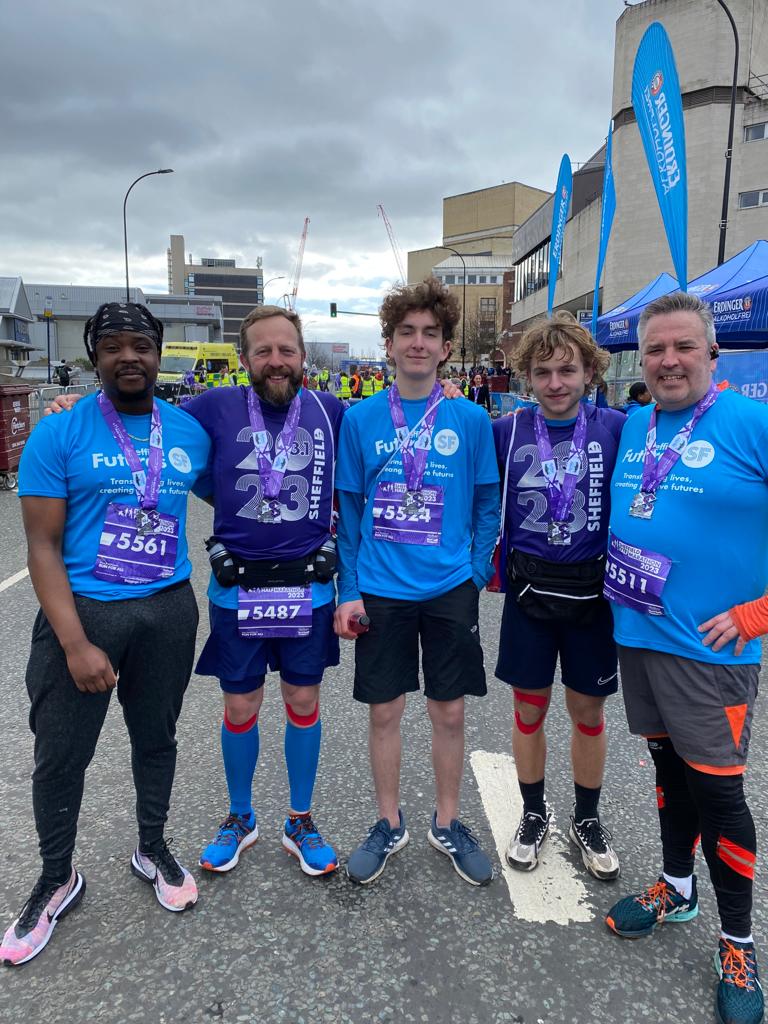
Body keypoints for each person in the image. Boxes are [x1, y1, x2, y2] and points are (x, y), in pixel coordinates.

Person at [0, 302, 211, 966]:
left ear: (159, 353)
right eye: (113, 346)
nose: (129, 357)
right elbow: (41, 546)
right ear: (94, 356)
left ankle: (152, 847)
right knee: (61, 756)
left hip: (168, 610)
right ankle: (57, 875)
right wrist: (73, 643)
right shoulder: (59, 434)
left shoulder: (187, 432)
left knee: (158, 740)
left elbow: (243, 493)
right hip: (85, 612)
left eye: (141, 345)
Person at [603, 292, 768, 1024]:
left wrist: (758, 612)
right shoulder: (638, 424)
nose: (668, 361)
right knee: (669, 771)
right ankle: (676, 886)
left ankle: (738, 939)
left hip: (712, 654)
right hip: (639, 636)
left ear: (712, 354)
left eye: (682, 348)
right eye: (656, 350)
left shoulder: (751, 421)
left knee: (721, 794)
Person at [334, 277, 499, 887]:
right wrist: (348, 589)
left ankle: (448, 822)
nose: (418, 343)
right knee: (385, 712)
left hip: (450, 585)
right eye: (407, 332)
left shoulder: (470, 419)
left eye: (431, 334)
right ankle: (387, 822)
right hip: (380, 588)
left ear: (446, 346)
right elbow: (348, 514)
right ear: (389, 342)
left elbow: (488, 502)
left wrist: (476, 569)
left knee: (449, 711)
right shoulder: (361, 418)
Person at [187, 306, 343, 878]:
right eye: (263, 352)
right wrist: (71, 407)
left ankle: (299, 820)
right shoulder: (213, 406)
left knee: (303, 703)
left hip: (309, 588)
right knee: (240, 706)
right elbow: (153, 436)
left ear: (303, 356)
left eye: (287, 350)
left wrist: (446, 396)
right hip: (238, 591)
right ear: (245, 358)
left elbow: (382, 451)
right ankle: (241, 816)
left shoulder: (331, 410)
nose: (276, 361)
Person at [494, 312, 623, 880]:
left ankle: (588, 818)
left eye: (567, 370)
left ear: (590, 371)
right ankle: (532, 812)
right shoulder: (507, 431)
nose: (555, 383)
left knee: (587, 711)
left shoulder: (619, 428)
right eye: (542, 371)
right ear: (526, 376)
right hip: (529, 590)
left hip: (593, 594)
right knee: (529, 709)